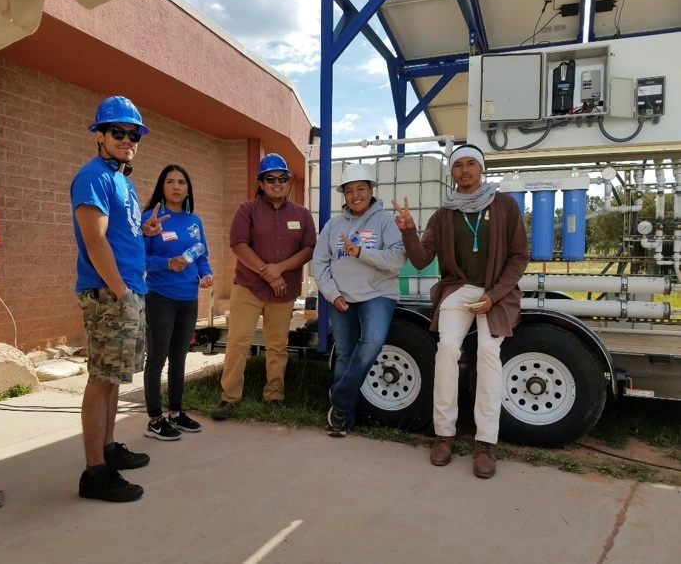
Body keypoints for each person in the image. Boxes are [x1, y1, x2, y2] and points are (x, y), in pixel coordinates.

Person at [392, 144, 529, 479]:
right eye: (458, 166)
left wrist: (494, 296)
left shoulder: (504, 206)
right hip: (460, 289)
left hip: (497, 291)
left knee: (487, 352)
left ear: (481, 169)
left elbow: (518, 257)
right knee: (447, 348)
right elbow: (423, 259)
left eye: (471, 165)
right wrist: (408, 229)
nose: (465, 171)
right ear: (451, 172)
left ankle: (485, 443)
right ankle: (445, 434)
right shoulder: (443, 214)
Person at [71, 96, 167, 502]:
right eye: (118, 132)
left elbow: (117, 235)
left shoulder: (122, 180)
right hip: (110, 293)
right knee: (101, 379)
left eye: (134, 134)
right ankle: (95, 473)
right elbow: (94, 241)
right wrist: (121, 292)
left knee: (113, 380)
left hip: (127, 291)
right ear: (100, 135)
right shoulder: (92, 176)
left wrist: (143, 231)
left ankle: (108, 450)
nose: (128, 139)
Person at [211, 153, 316, 420]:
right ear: (261, 182)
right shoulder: (247, 210)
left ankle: (274, 396)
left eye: (282, 178)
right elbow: (238, 244)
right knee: (238, 342)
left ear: (289, 181)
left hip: (283, 290)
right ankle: (229, 398)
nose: (277, 183)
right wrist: (268, 274)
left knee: (277, 346)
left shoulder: (302, 214)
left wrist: (279, 270)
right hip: (248, 287)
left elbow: (308, 249)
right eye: (271, 179)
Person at [312, 164, 406, 437]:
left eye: (360, 189)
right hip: (341, 298)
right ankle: (343, 418)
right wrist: (333, 294)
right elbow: (319, 264)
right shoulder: (333, 225)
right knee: (344, 353)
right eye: (349, 191)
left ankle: (338, 396)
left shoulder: (385, 221)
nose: (355, 195)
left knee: (373, 342)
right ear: (344, 194)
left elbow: (398, 259)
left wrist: (361, 252)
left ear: (371, 191)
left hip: (378, 294)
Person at [142, 164, 213, 441]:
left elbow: (201, 254)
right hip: (160, 297)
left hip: (188, 298)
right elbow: (141, 261)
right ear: (162, 187)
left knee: (179, 358)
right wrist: (166, 263)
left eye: (181, 182)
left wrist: (206, 273)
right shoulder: (151, 219)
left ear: (187, 188)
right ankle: (154, 418)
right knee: (157, 358)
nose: (176, 187)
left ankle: (176, 412)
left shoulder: (195, 221)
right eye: (170, 182)